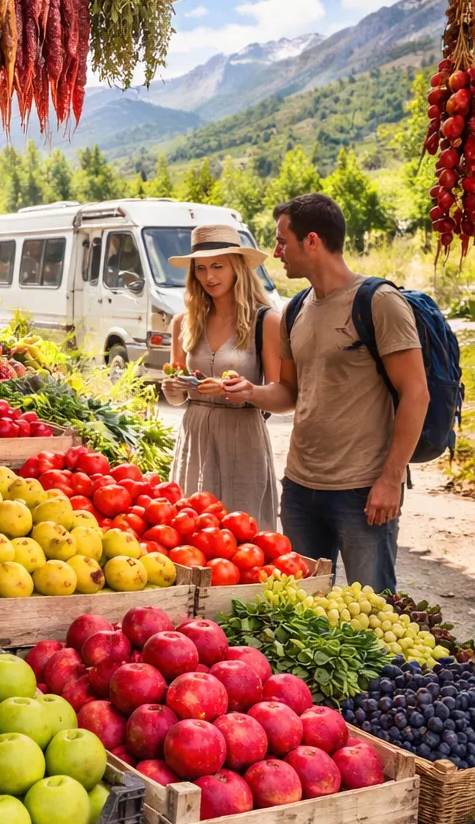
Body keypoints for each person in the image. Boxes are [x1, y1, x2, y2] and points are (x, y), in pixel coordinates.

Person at [219, 193, 429, 592]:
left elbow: (416, 394)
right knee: (302, 610)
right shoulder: (295, 309)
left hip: (361, 490)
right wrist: (250, 391)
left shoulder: (379, 302)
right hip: (300, 488)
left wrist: (390, 479)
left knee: (373, 611)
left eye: (282, 241)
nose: (276, 252)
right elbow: (288, 392)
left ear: (312, 241)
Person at [162, 222, 281, 530]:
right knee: (192, 532)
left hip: (243, 437)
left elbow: (282, 394)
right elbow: (176, 397)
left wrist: (244, 391)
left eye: (218, 266)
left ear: (237, 268)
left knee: (244, 537)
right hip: (195, 435)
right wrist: (173, 387)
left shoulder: (265, 321)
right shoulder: (182, 323)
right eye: (200, 268)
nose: (209, 277)